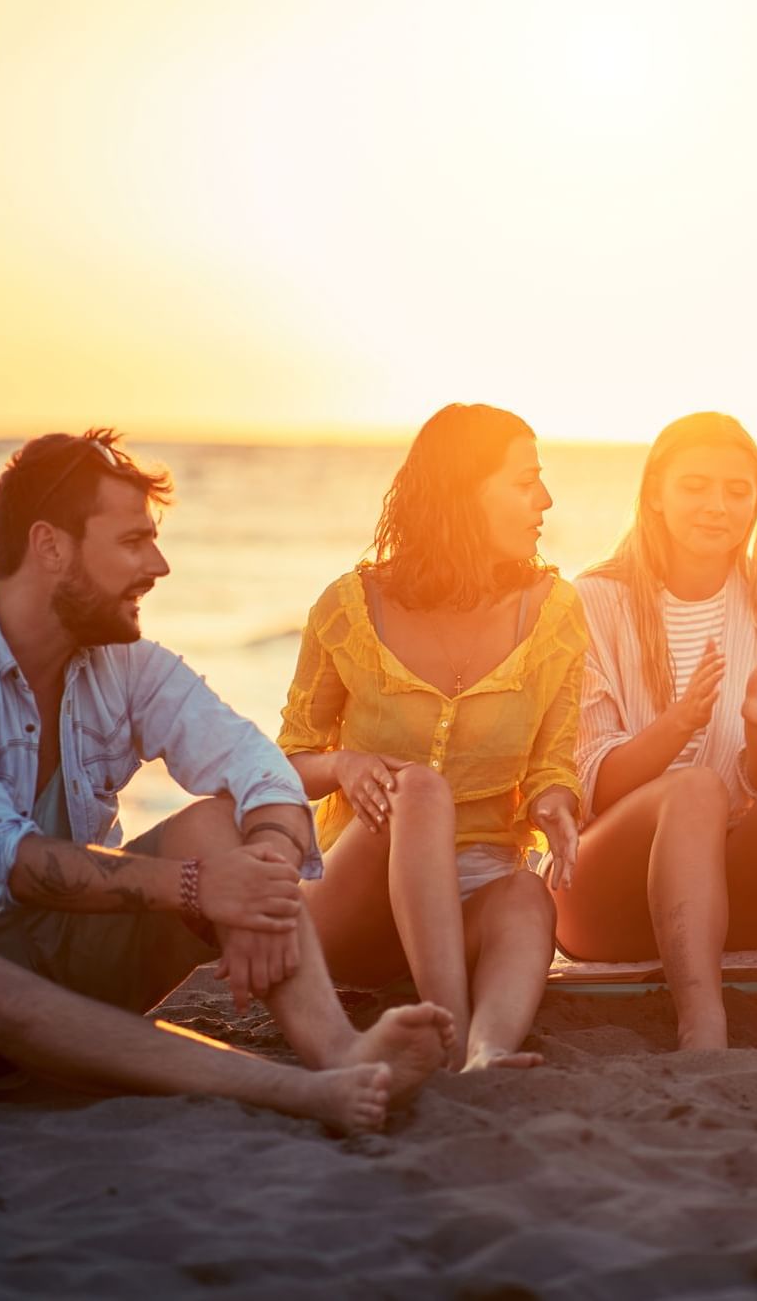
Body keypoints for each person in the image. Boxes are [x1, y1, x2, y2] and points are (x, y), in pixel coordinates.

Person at [0, 430, 452, 1132]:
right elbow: (3, 860)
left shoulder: (127, 667)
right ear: (50, 546)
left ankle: (340, 1055)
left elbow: (260, 768)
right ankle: (287, 1092)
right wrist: (202, 888)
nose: (160, 565)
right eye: (134, 541)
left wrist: (258, 872)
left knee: (218, 824)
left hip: (73, 961)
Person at [278, 404, 584, 1073]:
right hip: (353, 905)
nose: (545, 499)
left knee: (528, 893)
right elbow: (283, 767)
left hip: (474, 908)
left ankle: (487, 1050)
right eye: (524, 480)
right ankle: (450, 1035)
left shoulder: (553, 614)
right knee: (417, 789)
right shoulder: (349, 608)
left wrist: (554, 800)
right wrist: (345, 764)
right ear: (461, 494)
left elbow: (552, 760)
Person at [556, 413, 757, 1051]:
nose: (717, 506)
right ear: (655, 491)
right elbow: (591, 789)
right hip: (607, 901)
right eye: (695, 486)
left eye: (737, 490)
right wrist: (678, 724)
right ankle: (703, 1024)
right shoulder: (591, 601)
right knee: (693, 789)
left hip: (734, 905)